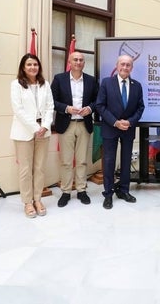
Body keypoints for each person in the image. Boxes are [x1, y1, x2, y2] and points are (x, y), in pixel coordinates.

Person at [96, 54, 145, 209]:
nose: (125, 67)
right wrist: (115, 122)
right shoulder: (106, 83)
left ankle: (124, 190)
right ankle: (108, 194)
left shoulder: (137, 85)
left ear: (132, 67)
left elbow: (140, 107)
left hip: (128, 129)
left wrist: (129, 122)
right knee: (109, 162)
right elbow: (100, 106)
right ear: (117, 66)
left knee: (126, 162)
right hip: (111, 128)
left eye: (128, 65)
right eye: (122, 64)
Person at [51, 52, 99, 207]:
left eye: (81, 60)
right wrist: (66, 108)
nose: (78, 62)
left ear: (84, 63)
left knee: (82, 161)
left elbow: (98, 101)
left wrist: (90, 109)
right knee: (66, 161)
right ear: (69, 62)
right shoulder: (59, 79)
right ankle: (65, 192)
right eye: (75, 59)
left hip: (84, 124)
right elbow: (52, 101)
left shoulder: (91, 80)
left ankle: (81, 190)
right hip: (66, 124)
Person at [10, 54, 54, 218]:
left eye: (35, 64)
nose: (32, 67)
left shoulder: (45, 84)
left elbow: (50, 107)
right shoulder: (16, 85)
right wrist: (36, 127)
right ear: (23, 67)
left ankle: (37, 199)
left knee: (40, 168)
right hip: (24, 132)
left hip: (44, 130)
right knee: (25, 169)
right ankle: (27, 202)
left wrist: (44, 126)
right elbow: (18, 109)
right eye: (29, 64)